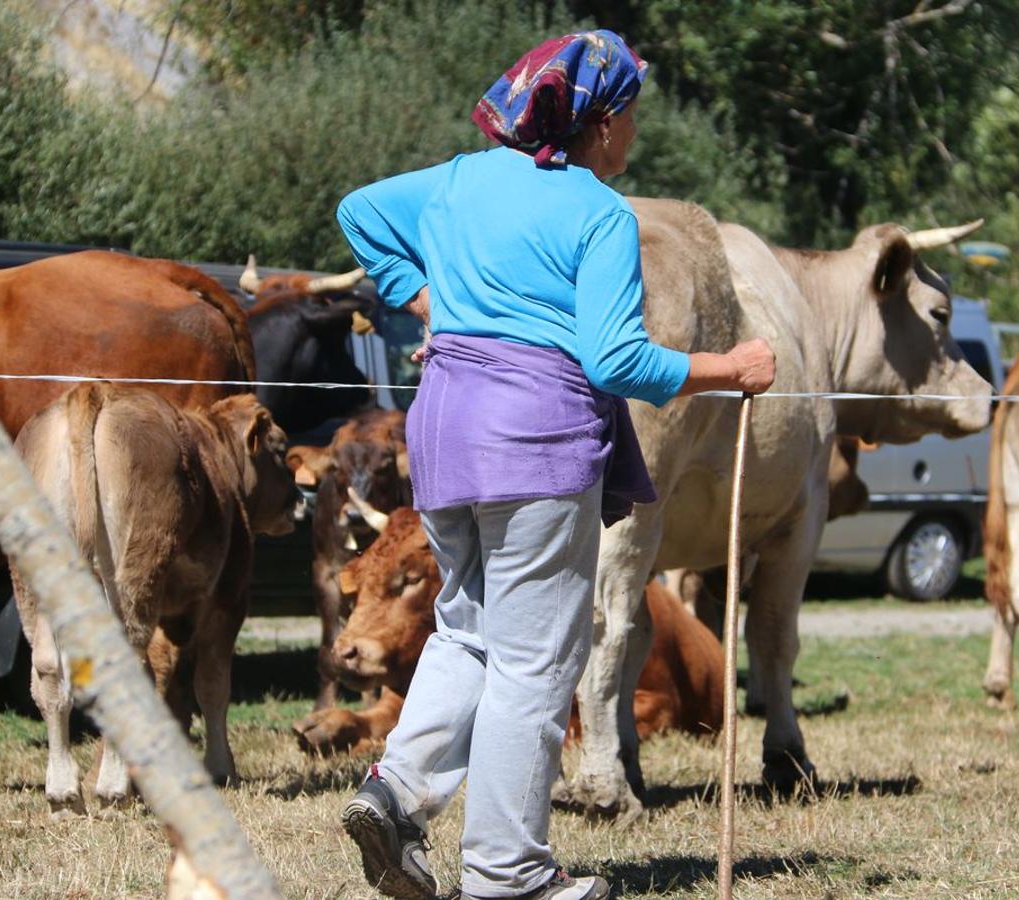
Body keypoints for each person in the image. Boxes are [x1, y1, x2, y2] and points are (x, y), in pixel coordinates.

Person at [335, 30, 775, 900]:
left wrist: (436, 306)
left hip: (444, 431)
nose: (635, 136)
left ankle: (394, 792)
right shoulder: (600, 214)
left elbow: (359, 212)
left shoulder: (459, 179)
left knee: (469, 630)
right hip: (535, 442)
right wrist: (731, 369)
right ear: (602, 125)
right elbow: (616, 361)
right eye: (634, 117)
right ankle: (507, 873)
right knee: (536, 665)